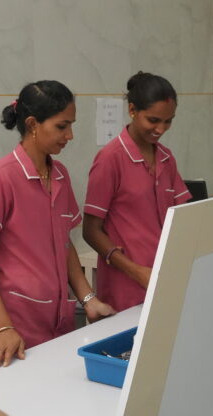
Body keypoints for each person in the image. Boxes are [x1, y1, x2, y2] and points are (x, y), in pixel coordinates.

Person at [0, 80, 115, 369]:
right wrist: (2, 327)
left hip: (57, 325)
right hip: (12, 330)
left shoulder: (60, 175)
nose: (70, 135)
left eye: (71, 125)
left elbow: (64, 244)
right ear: (33, 124)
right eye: (62, 126)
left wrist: (88, 299)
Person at [82, 72, 192, 312]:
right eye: (153, 120)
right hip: (126, 288)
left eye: (168, 121)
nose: (161, 129)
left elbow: (182, 217)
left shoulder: (166, 158)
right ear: (132, 110)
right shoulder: (110, 159)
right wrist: (135, 271)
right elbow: (90, 231)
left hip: (165, 281)